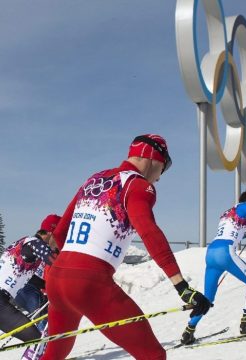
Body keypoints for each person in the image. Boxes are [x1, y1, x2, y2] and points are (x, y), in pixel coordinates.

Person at [41, 134, 211, 360]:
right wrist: (182, 288)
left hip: (58, 279)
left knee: (53, 355)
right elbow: (149, 232)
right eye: (165, 166)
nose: (160, 177)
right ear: (153, 158)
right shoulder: (137, 185)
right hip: (89, 282)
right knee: (153, 355)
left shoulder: (94, 179)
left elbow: (59, 233)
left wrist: (68, 272)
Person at [180, 185, 246, 345]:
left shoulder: (228, 213)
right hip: (225, 252)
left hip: (211, 253)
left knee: (206, 299)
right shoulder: (244, 205)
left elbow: (232, 230)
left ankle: (188, 331)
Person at [0, 214, 60, 341]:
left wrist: (48, 286)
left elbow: (28, 278)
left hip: (3, 301)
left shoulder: (22, 243)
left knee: (38, 340)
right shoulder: (35, 243)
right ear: (50, 233)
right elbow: (56, 264)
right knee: (40, 341)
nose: (59, 242)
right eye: (58, 236)